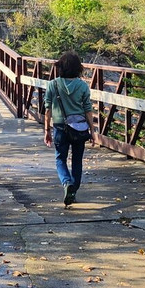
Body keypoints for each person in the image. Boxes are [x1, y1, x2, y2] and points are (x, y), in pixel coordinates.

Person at [43, 51, 96, 206]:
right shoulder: (82, 86)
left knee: (60, 158)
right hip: (79, 128)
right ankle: (73, 188)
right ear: (78, 68)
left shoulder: (53, 84)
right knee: (77, 160)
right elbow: (88, 109)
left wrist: (47, 130)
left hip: (59, 127)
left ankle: (67, 183)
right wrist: (92, 131)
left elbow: (47, 109)